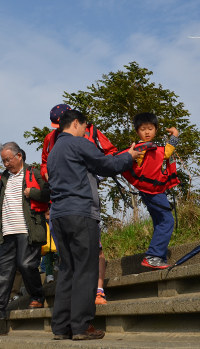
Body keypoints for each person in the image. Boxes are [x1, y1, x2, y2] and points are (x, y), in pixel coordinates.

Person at [47, 109, 139, 340]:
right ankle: (81, 326)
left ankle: (61, 327)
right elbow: (106, 164)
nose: (86, 131)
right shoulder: (78, 143)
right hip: (81, 213)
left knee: (67, 269)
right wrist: (129, 156)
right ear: (76, 123)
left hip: (58, 215)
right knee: (86, 269)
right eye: (85, 127)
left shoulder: (54, 150)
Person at [41, 104, 117, 306]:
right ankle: (79, 316)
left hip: (85, 200)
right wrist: (46, 173)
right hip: (66, 206)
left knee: (93, 251)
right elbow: (44, 163)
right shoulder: (51, 139)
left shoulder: (90, 132)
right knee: (71, 260)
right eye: (55, 124)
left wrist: (101, 169)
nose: (57, 128)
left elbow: (110, 154)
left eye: (59, 123)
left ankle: (97, 291)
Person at [0, 141, 50, 322]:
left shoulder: (33, 173)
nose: (6, 164)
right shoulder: (2, 178)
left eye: (8, 159)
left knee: (26, 264)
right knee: (1, 269)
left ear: (19, 156)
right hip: (7, 231)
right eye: (3, 161)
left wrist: (32, 192)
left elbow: (49, 192)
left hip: (28, 229)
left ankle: (37, 296)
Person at [122, 112, 180, 269]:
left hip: (151, 190)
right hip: (152, 191)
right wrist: (175, 135)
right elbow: (167, 152)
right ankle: (153, 256)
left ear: (156, 130)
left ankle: (158, 257)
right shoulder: (141, 148)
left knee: (159, 221)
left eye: (150, 128)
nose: (147, 132)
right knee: (167, 220)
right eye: (143, 129)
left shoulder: (150, 148)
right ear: (137, 132)